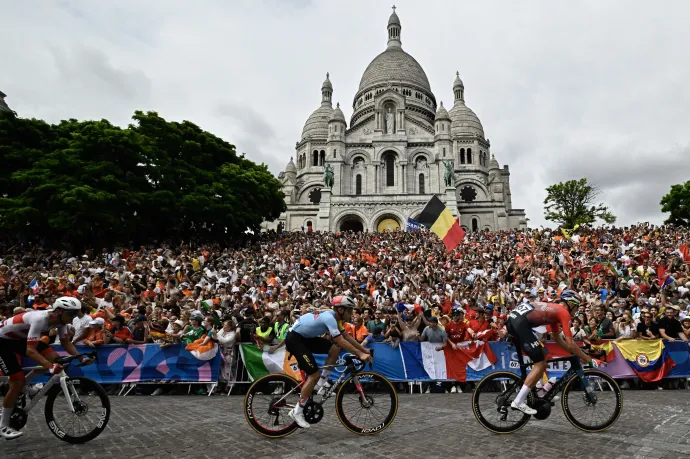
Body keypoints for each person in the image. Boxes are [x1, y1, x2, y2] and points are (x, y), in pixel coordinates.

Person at [0, 297, 92, 439]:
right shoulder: (40, 319)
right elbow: (31, 351)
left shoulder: (61, 321)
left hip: (17, 339)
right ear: (60, 312)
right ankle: (3, 426)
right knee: (17, 380)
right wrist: (49, 367)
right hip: (2, 341)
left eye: (76, 314)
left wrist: (81, 357)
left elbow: (65, 342)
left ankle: (27, 387)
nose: (74, 317)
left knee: (55, 358)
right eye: (72, 314)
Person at [505, 290, 602, 415]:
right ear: (571, 304)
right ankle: (518, 401)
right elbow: (571, 343)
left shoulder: (554, 311)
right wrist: (589, 359)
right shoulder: (564, 313)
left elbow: (557, 339)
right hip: (519, 324)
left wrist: (574, 353)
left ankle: (539, 391)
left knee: (543, 359)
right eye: (576, 306)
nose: (576, 310)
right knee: (540, 364)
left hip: (516, 321)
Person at [285, 295, 371, 429]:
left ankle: (321, 385)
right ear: (341, 310)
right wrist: (359, 354)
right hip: (295, 339)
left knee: (334, 350)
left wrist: (364, 350)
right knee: (314, 374)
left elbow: (346, 336)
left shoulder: (336, 318)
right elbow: (341, 340)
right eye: (349, 310)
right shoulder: (330, 318)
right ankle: (297, 411)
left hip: (305, 338)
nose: (351, 314)